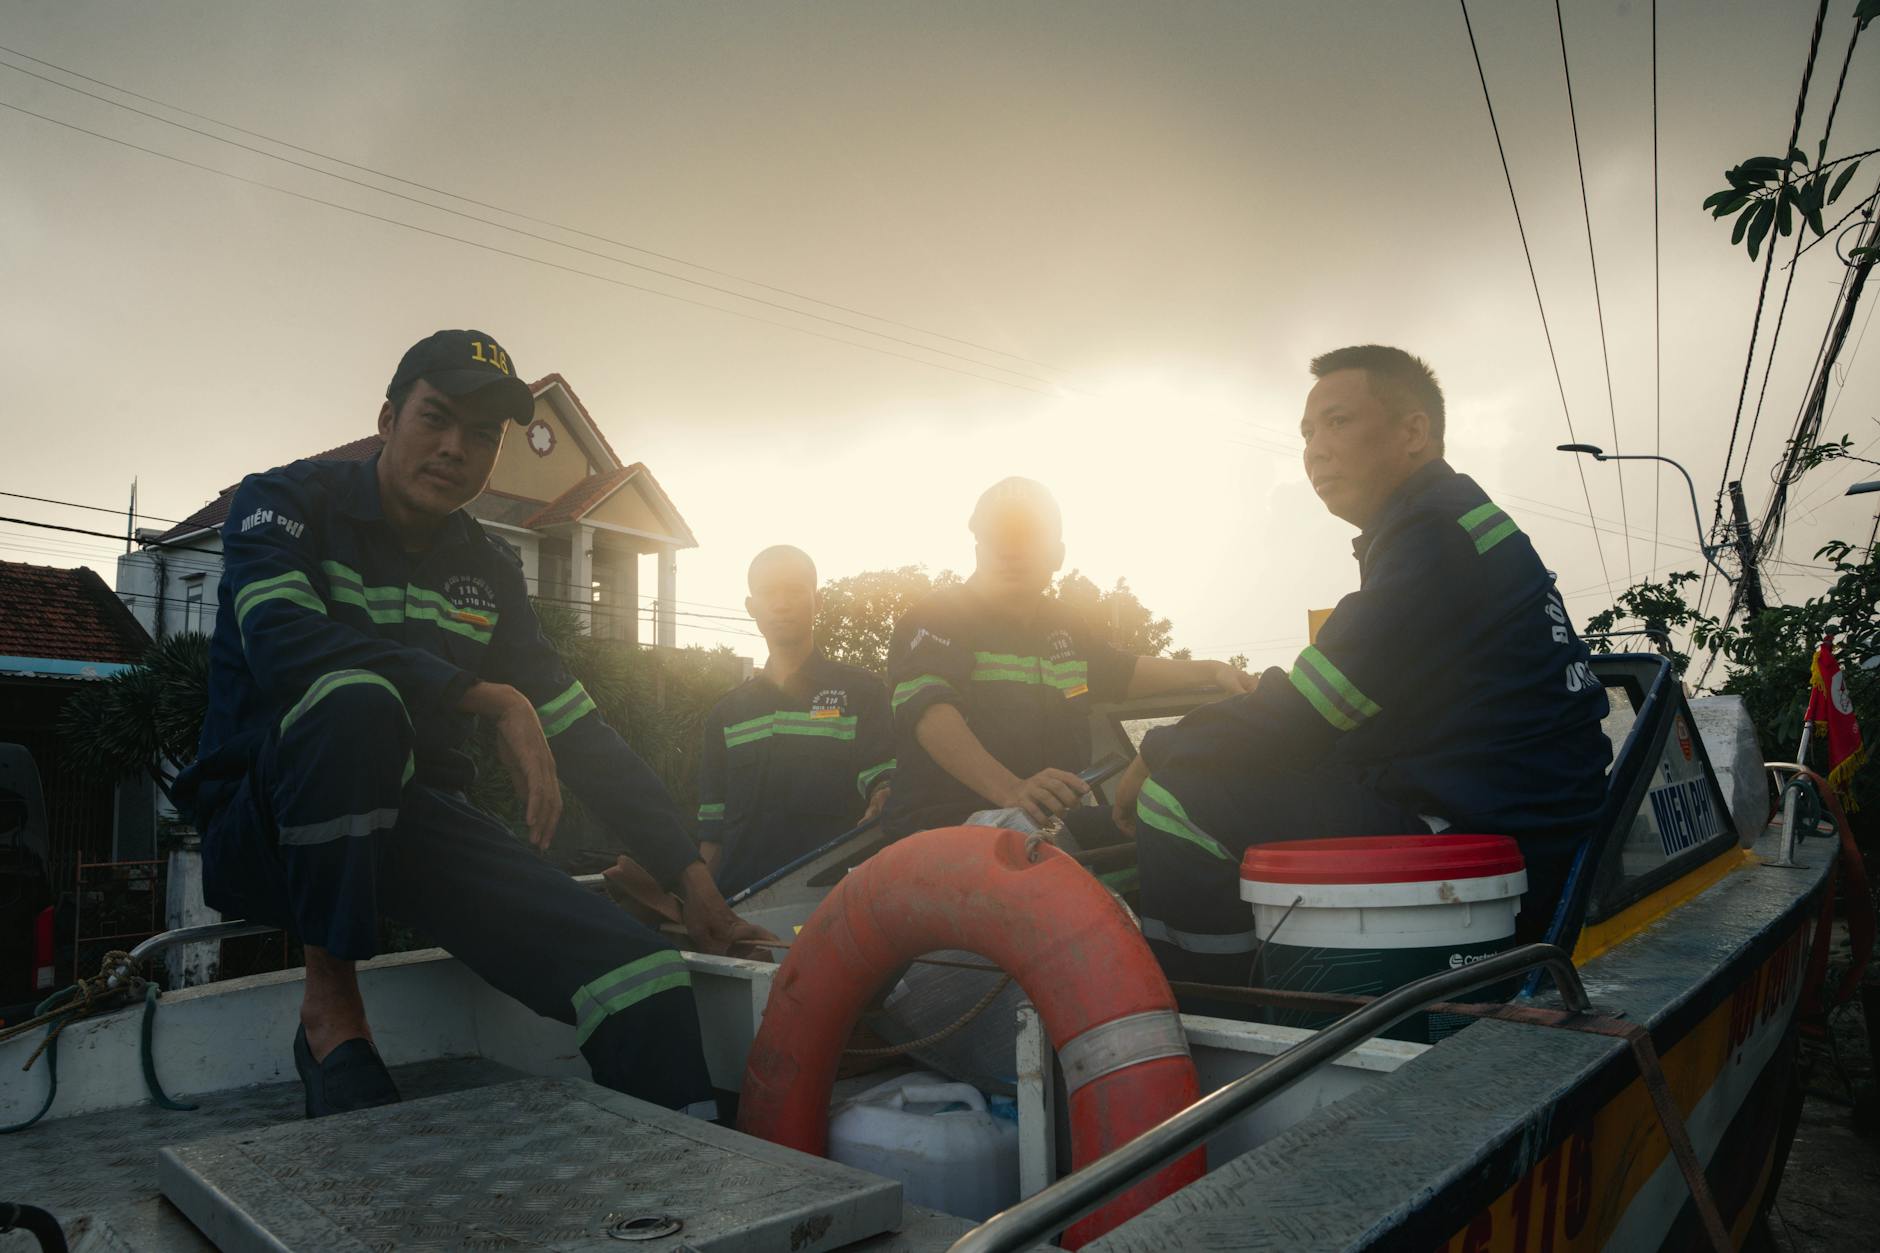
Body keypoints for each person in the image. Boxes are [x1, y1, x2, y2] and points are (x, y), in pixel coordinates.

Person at [175, 329, 769, 1120]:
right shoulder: (282, 503)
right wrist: (486, 696)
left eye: (483, 434)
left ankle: (696, 1185)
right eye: (437, 419)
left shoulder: (487, 567)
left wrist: (693, 882)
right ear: (387, 419)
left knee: (643, 974)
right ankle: (331, 1014)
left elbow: (579, 729)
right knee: (353, 700)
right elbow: (283, 644)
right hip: (268, 827)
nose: (456, 448)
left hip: (413, 825)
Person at [1112, 345, 1611, 987]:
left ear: (1412, 432)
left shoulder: (1434, 538)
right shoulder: (1451, 524)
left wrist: (1156, 750)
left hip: (1492, 827)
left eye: (1338, 422)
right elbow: (1344, 694)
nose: (1315, 449)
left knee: (1178, 798)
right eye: (1307, 432)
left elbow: (1309, 710)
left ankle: (1214, 1014)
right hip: (1520, 810)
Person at [880, 477, 1253, 845]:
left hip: (1046, 822)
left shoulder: (1066, 625)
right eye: (995, 537)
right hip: (943, 829)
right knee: (1050, 849)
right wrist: (1013, 790)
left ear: (1057, 555)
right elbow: (929, 712)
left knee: (1180, 826)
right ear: (977, 548)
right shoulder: (936, 616)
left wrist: (1213, 670)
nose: (1009, 550)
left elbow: (1124, 671)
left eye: (1025, 536)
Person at [694, 545, 896, 896]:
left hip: (832, 906)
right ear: (751, 607)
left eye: (794, 590)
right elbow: (713, 834)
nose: (782, 603)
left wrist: (884, 794)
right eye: (769, 592)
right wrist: (704, 907)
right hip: (743, 911)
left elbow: (883, 778)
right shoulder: (726, 715)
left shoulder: (862, 693)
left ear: (817, 602)